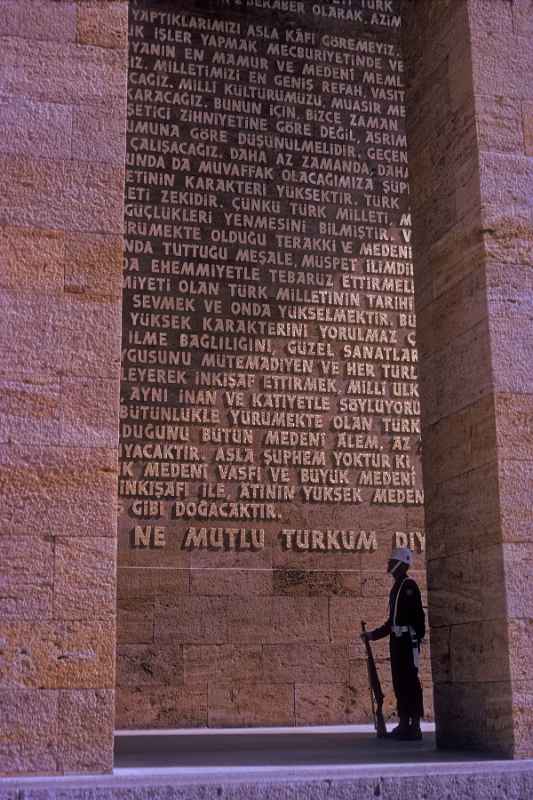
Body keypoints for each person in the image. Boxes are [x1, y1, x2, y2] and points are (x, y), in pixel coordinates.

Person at [361, 547, 425, 740]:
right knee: (399, 682)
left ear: (401, 564)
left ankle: (414, 725)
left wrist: (416, 638)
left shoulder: (409, 586)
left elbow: (418, 617)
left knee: (410, 682)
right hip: (397, 642)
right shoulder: (397, 587)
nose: (388, 565)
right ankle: (404, 722)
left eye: (391, 562)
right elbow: (392, 622)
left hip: (407, 641)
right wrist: (372, 635)